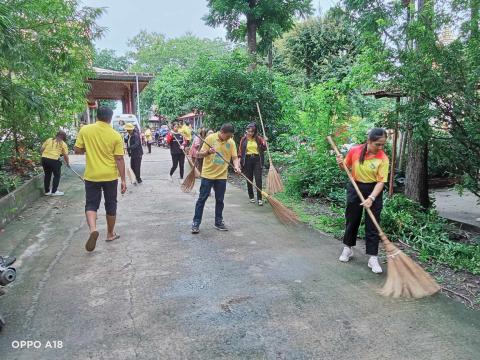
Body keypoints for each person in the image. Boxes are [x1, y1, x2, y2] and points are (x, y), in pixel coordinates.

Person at [336, 128, 389, 274]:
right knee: (352, 219)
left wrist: (371, 198)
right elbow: (345, 168)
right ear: (369, 141)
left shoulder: (383, 158)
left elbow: (381, 182)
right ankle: (348, 248)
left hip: (374, 190)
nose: (380, 148)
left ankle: (373, 257)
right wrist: (340, 162)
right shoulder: (354, 151)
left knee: (373, 224)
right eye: (378, 144)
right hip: (355, 186)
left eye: (383, 144)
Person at [74, 107, 127, 252]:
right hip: (110, 176)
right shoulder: (115, 135)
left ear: (97, 116)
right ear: (110, 118)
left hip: (92, 175)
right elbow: (119, 159)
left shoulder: (85, 130)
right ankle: (110, 234)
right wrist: (123, 180)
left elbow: (77, 150)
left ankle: (93, 229)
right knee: (111, 204)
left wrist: (89, 148)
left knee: (91, 204)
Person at [191, 123, 241, 234]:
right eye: (227, 136)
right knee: (202, 199)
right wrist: (208, 152)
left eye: (230, 136)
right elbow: (198, 155)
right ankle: (196, 222)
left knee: (220, 200)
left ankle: (218, 222)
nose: (229, 138)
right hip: (208, 175)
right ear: (222, 132)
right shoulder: (210, 138)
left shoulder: (231, 142)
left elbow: (234, 157)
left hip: (221, 176)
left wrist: (237, 167)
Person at [238, 123, 267, 206]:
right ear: (246, 131)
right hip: (247, 160)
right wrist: (239, 162)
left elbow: (264, 148)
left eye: (252, 131)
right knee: (249, 179)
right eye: (248, 131)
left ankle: (260, 198)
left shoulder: (259, 139)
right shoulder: (243, 139)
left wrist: (264, 143)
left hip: (257, 159)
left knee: (258, 179)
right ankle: (251, 196)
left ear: (254, 132)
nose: (250, 133)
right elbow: (240, 151)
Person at [40, 130, 70, 196]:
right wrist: (67, 163)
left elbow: (41, 149)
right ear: (63, 137)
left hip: (44, 159)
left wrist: (45, 156)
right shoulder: (63, 144)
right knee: (57, 175)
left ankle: (47, 191)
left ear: (56, 135)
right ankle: (54, 191)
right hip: (54, 160)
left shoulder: (49, 140)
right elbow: (65, 155)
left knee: (47, 175)